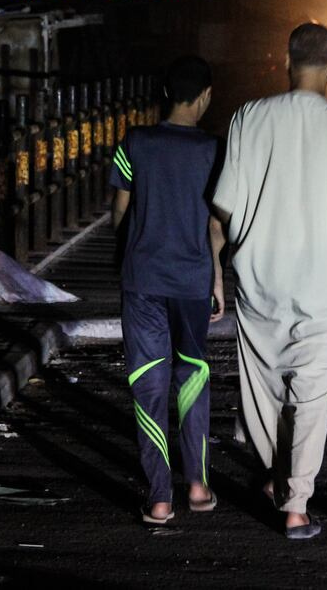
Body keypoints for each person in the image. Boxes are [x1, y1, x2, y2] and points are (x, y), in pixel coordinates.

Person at [211, 22, 327, 539]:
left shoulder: (248, 117)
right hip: (326, 289)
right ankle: (295, 504)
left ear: (286, 61)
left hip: (258, 282)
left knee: (263, 390)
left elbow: (222, 210)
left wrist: (216, 271)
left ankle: (277, 477)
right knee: (310, 399)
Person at [108, 55, 223, 524]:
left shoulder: (134, 142)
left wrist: (128, 257)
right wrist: (218, 278)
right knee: (192, 376)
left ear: (164, 93)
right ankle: (197, 485)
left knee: (148, 382)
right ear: (205, 96)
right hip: (193, 282)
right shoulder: (215, 151)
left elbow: (119, 212)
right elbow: (216, 224)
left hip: (143, 280)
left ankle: (160, 496)